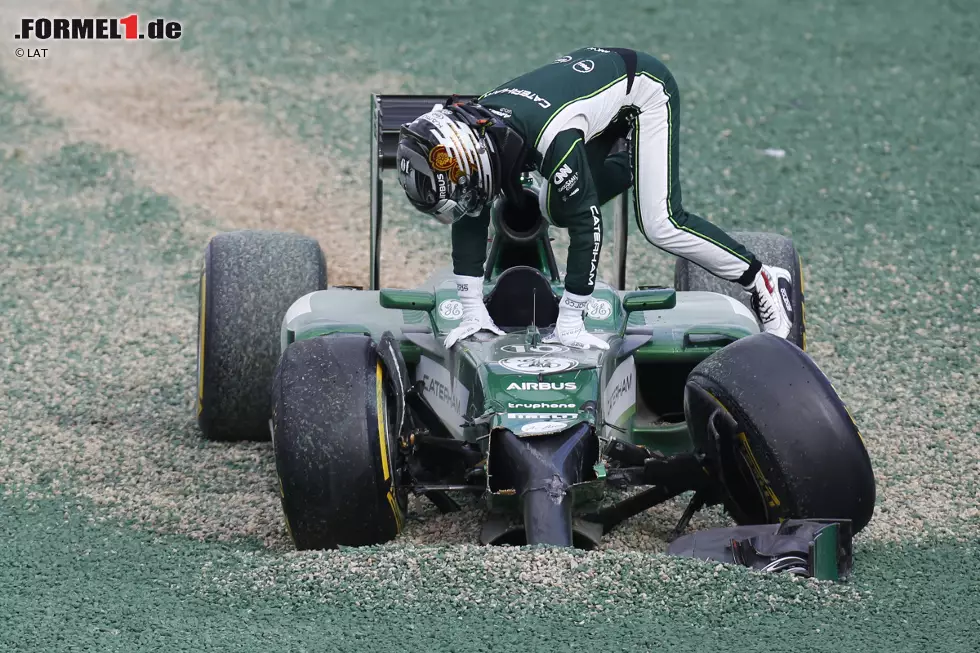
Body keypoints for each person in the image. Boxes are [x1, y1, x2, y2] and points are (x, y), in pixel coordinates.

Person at [396, 46, 794, 350]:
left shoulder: (551, 139)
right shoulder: (476, 127)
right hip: (589, 88)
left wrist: (571, 317)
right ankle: (620, 156)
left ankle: (761, 276)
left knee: (661, 223)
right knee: (552, 208)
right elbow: (473, 207)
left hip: (644, 91)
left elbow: (590, 226)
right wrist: (471, 309)